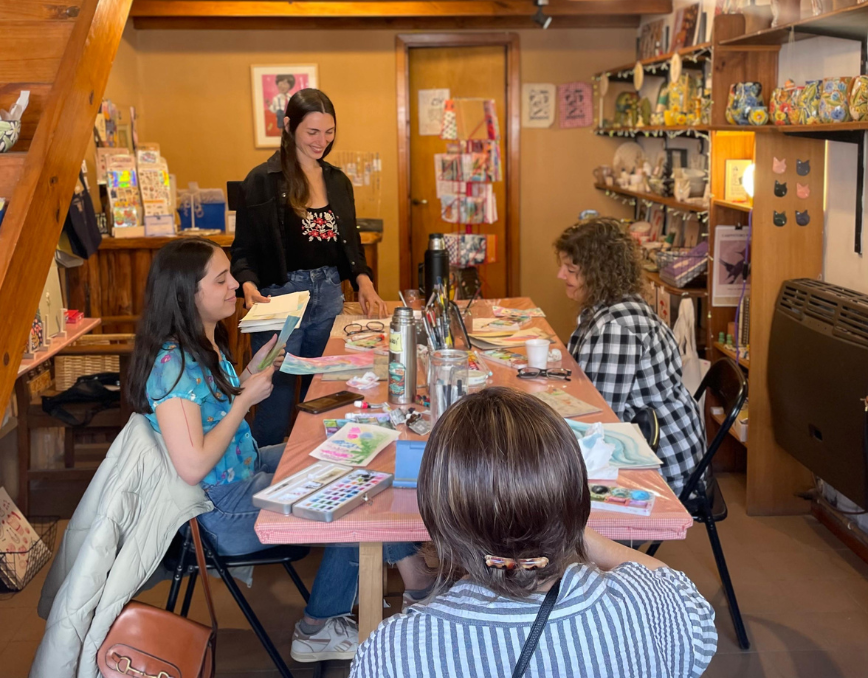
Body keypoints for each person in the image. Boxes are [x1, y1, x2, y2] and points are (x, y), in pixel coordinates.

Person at [127, 238, 430, 663]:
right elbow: (193, 465)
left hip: (241, 469)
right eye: (222, 280)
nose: (235, 284)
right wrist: (244, 400)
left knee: (345, 451)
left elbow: (212, 408)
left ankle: (410, 572)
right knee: (356, 501)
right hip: (217, 510)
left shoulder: (201, 342)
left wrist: (255, 370)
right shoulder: (173, 366)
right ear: (186, 295)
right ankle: (319, 627)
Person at [351, 388, 717, 677]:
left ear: (439, 525)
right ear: (575, 505)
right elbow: (671, 584)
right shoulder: (660, 612)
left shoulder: (393, 654)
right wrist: (573, 532)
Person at [231, 88, 388, 446]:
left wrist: (363, 281)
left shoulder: (337, 181)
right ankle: (262, 476)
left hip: (329, 295)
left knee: (328, 388)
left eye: (329, 131)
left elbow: (350, 246)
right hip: (280, 299)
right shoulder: (262, 180)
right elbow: (243, 250)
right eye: (312, 132)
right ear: (289, 126)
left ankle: (321, 460)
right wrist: (249, 286)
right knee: (275, 391)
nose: (323, 141)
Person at [555, 218, 706, 496]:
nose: (560, 275)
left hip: (663, 465)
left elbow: (598, 419)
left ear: (599, 274)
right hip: (655, 446)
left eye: (571, 269)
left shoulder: (616, 329)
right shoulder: (614, 307)